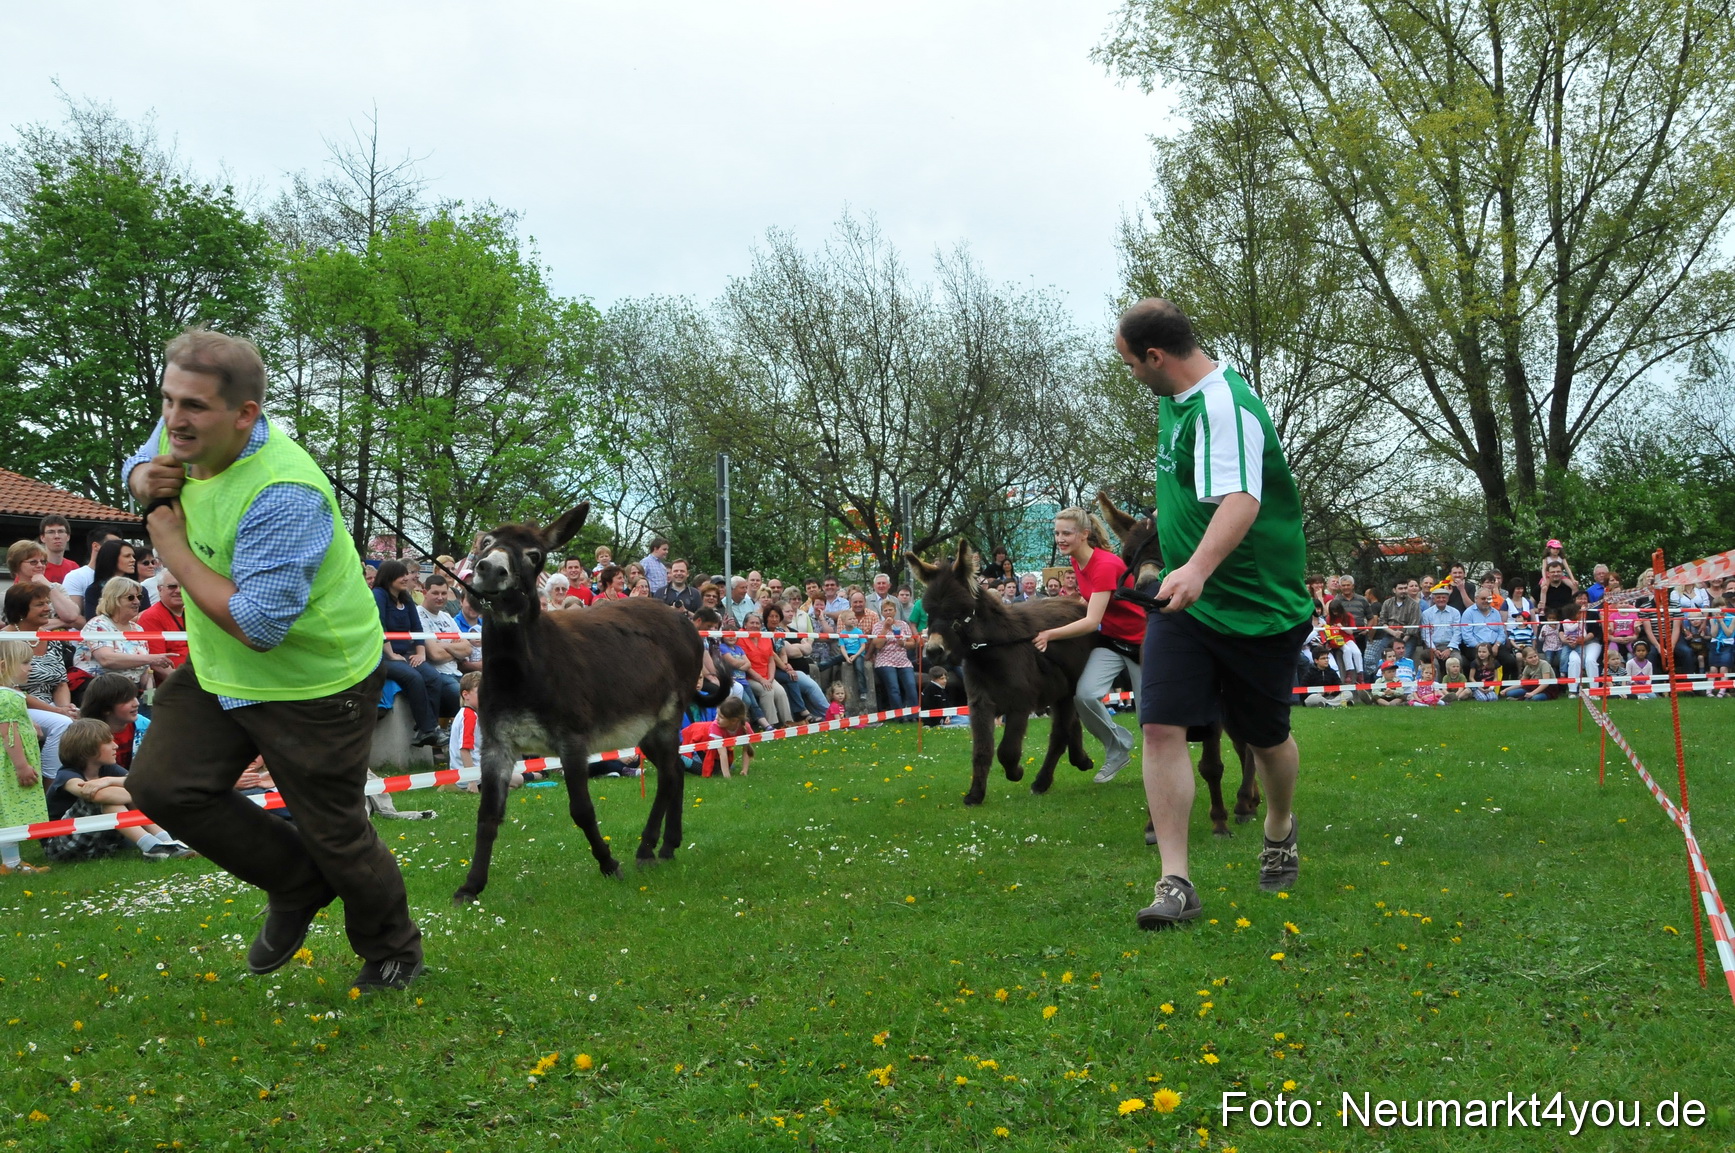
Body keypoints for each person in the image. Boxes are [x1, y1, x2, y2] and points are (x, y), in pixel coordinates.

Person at [122, 327, 422, 992]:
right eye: (168, 401)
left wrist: (168, 541)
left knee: (335, 831)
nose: (174, 419)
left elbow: (259, 624)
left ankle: (393, 947)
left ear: (244, 414)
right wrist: (143, 477)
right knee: (161, 786)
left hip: (315, 682)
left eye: (192, 407)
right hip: (222, 666)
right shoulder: (186, 424)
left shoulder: (285, 491)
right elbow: (139, 465)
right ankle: (294, 881)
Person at [1113, 298, 1311, 930]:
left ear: (1155, 356)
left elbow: (1243, 499)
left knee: (1266, 737)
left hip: (1257, 606)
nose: (1132, 375)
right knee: (1160, 726)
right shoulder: (1174, 402)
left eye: (1130, 364)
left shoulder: (1225, 407)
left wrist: (1198, 567)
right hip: (1185, 601)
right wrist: (1182, 568)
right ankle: (1176, 881)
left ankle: (1279, 825)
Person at [1032, 506, 1146, 782]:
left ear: (1084, 535)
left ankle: (1158, 774)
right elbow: (1088, 602)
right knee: (1083, 696)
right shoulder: (1075, 562)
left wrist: (1049, 634)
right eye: (1057, 533)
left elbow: (1090, 620)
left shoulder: (1105, 565)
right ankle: (1117, 746)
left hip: (1143, 642)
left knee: (1149, 719)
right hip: (1112, 640)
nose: (1060, 538)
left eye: (1066, 533)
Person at [373, 559, 447, 748]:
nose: (406, 578)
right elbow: (379, 627)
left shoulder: (406, 599)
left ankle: (425, 729)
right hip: (380, 655)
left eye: (406, 574)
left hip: (404, 654)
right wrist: (391, 655)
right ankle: (430, 729)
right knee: (413, 678)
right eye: (401, 574)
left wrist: (421, 653)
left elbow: (417, 629)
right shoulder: (378, 595)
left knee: (433, 678)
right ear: (389, 576)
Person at [0, 639, 51, 875]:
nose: (30, 667)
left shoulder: (10, 695)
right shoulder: (7, 697)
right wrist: (21, 765)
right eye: (25, 662)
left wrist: (31, 725)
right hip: (11, 766)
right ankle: (11, 864)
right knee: (12, 810)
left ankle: (11, 862)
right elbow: (8, 732)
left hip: (12, 763)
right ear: (3, 666)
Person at [75, 578, 174, 695]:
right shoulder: (98, 624)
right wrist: (152, 658)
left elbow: (145, 671)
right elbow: (106, 659)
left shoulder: (138, 629)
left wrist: (150, 696)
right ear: (114, 599)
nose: (137, 602)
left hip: (132, 692)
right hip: (101, 691)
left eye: (139, 597)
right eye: (131, 597)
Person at [7, 539, 85, 628]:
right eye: (33, 562)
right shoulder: (9, 594)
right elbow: (20, 626)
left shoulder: (57, 588)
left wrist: (49, 586)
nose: (40, 565)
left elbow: (73, 616)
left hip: (60, 641)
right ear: (16, 565)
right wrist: (63, 622)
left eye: (43, 561)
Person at [679, 695, 752, 778]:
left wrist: (744, 770)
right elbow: (722, 753)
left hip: (708, 745)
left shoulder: (745, 727)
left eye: (721, 717)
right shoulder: (716, 726)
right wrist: (727, 777)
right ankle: (680, 759)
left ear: (734, 721)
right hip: (691, 736)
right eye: (717, 714)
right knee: (711, 770)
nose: (716, 718)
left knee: (728, 767)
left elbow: (747, 750)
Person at [870, 599, 918, 720]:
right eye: (885, 610)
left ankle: (914, 715)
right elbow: (878, 645)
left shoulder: (903, 624)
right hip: (885, 660)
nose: (888, 612)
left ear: (895, 611)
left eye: (890, 610)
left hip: (902, 659)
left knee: (911, 685)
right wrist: (886, 628)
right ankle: (899, 716)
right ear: (882, 613)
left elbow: (912, 643)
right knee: (894, 687)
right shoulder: (877, 626)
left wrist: (904, 644)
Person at [136, 567, 190, 671]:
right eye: (172, 587)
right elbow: (157, 664)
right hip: (177, 681)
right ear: (159, 589)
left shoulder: (192, 615)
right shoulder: (151, 617)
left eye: (183, 586)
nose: (178, 591)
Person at [79, 538, 145, 621]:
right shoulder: (94, 590)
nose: (133, 560)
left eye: (133, 556)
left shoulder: (140, 590)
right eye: (127, 556)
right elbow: (93, 622)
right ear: (111, 558)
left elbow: (147, 619)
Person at [60, 526, 122, 602]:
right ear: (96, 546)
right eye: (113, 545)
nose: (119, 549)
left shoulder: (123, 576)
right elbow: (73, 613)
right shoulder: (76, 577)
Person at [38, 514, 78, 585]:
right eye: (51, 532)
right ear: (42, 538)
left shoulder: (74, 567)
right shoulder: (35, 567)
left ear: (68, 537)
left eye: (61, 531)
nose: (57, 536)